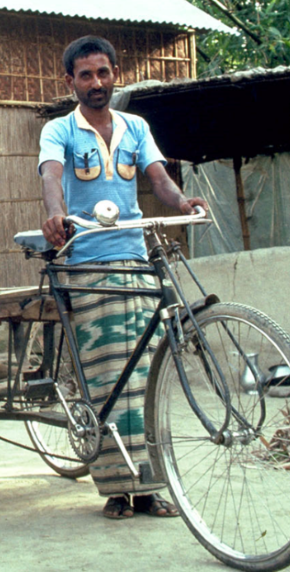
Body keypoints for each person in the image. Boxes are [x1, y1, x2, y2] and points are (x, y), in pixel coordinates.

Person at [37, 36, 207, 521]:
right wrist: (56, 215)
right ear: (70, 81)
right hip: (87, 265)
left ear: (116, 74)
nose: (96, 83)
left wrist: (181, 203)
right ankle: (115, 488)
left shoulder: (136, 126)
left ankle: (152, 487)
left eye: (104, 73)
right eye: (86, 75)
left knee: (147, 376)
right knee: (107, 376)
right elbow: (51, 178)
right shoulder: (59, 131)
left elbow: (158, 177)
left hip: (135, 261)